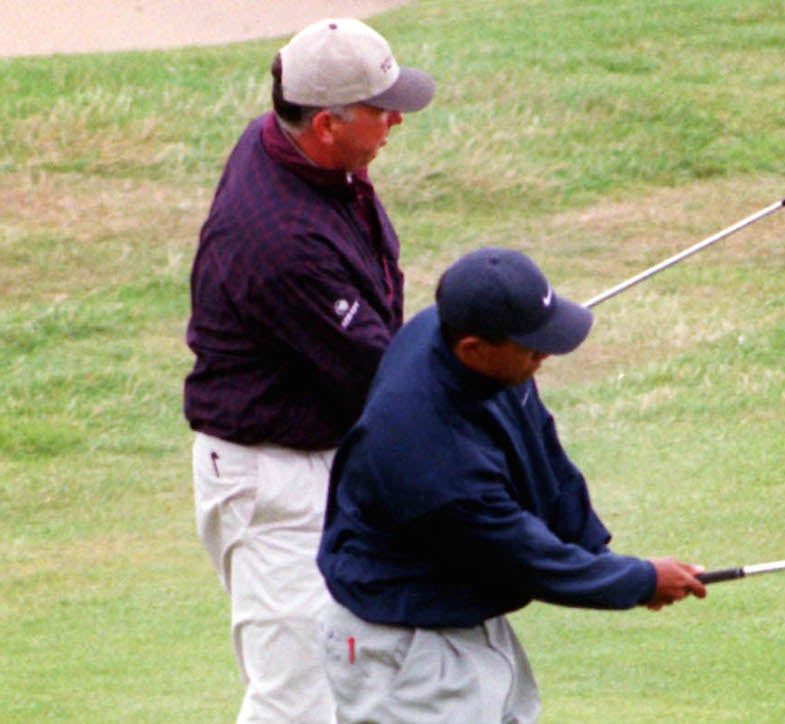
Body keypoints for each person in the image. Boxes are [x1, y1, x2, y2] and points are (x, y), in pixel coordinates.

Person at [317, 248, 708, 722]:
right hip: (402, 651)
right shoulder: (428, 452)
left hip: (459, 621)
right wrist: (639, 581)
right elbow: (526, 557)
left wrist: (597, 551)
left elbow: (542, 447)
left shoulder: (470, 351)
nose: (544, 354)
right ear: (474, 349)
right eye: (531, 346)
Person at [183, 17, 435, 723]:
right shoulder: (279, 241)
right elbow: (383, 379)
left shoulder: (294, 150)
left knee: (368, 678)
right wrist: (478, 365)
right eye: (381, 109)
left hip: (320, 464)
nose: (395, 120)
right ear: (326, 122)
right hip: (273, 490)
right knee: (298, 703)